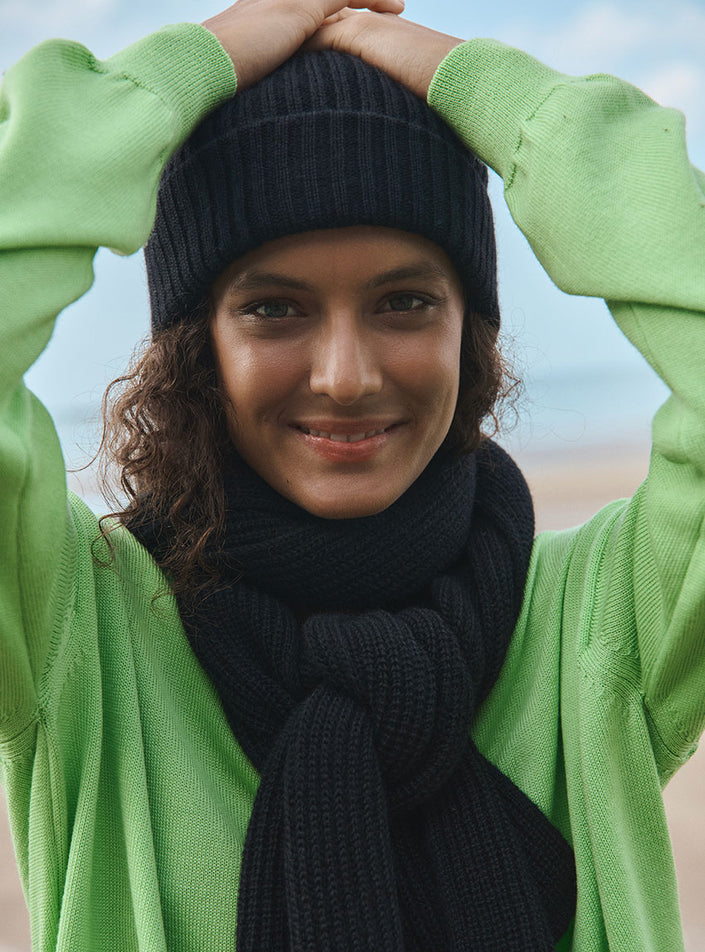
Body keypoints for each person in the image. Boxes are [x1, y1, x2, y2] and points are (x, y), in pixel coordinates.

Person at [1, 1, 703, 949]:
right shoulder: (79, 633)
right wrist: (200, 60)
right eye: (273, 310)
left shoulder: (597, 625)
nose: (346, 376)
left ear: (472, 332)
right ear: (196, 348)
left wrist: (476, 85)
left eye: (404, 302)